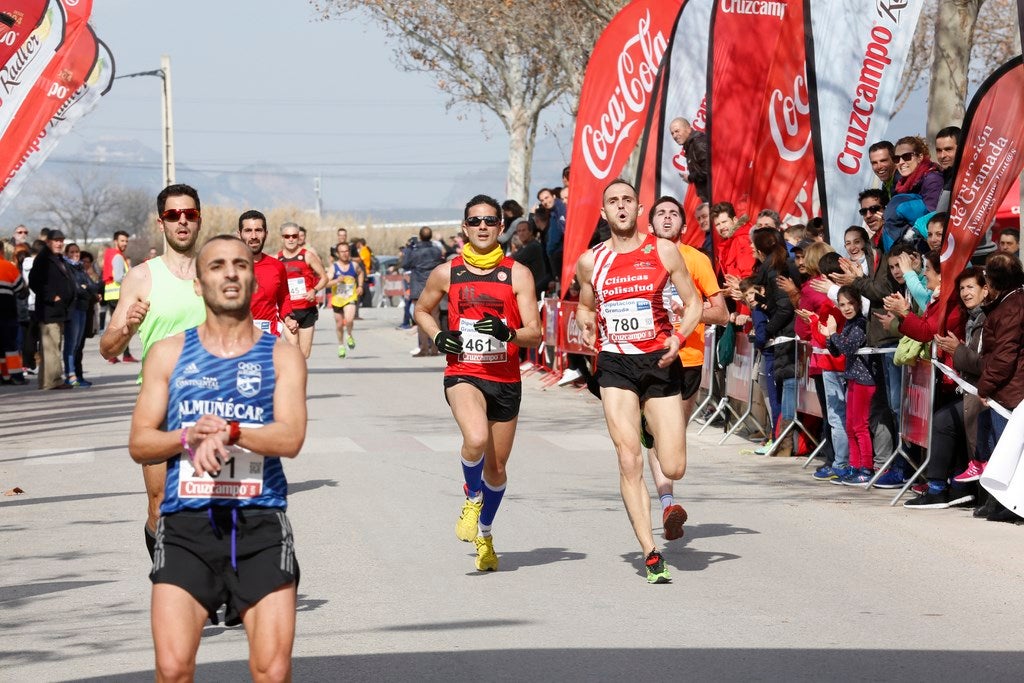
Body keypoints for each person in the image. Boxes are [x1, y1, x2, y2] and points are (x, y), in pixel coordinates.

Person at [128, 235, 306, 682]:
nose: (230, 273)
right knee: (172, 670)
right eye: (218, 266)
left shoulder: (281, 356)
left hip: (260, 523)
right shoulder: (167, 353)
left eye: (241, 265)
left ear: (253, 278)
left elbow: (292, 437)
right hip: (187, 525)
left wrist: (232, 431)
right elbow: (140, 443)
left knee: (271, 670)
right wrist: (188, 435)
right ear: (198, 283)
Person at [575, 179, 702, 583]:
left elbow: (695, 302)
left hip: (659, 360)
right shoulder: (591, 261)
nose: (621, 207)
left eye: (627, 200)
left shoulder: (663, 251)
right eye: (613, 202)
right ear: (604, 212)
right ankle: (650, 553)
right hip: (615, 364)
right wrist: (584, 320)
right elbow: (583, 303)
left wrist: (679, 336)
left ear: (638, 207)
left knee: (674, 466)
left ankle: (650, 428)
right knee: (627, 458)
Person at [413, 194, 540, 572]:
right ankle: (471, 499)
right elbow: (421, 309)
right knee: (476, 439)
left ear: (501, 227)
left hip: (505, 378)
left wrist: (509, 333)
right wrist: (437, 337)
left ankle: (485, 531)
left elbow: (534, 334)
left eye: (489, 220)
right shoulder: (446, 272)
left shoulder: (518, 273)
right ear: (464, 227)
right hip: (463, 371)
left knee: (497, 470)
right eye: (474, 220)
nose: (482, 226)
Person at [101, 184, 208, 559]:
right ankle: (173, 582)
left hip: (213, 400)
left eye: (189, 214)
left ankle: (209, 583)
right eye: (173, 215)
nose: (182, 221)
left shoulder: (215, 274)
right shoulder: (142, 277)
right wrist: (127, 327)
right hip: (159, 402)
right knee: (160, 506)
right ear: (161, 222)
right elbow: (107, 348)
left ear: (199, 219)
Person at [647, 196, 728, 540]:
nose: (667, 218)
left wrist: (688, 313)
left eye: (674, 214)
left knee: (672, 440)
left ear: (683, 224)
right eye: (661, 214)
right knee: (655, 434)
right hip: (647, 355)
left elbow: (721, 313)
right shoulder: (640, 258)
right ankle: (667, 504)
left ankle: (668, 494)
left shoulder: (696, 259)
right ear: (649, 225)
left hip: (688, 358)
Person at [825, 286, 876, 486]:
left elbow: (848, 347)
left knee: (860, 426)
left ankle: (866, 467)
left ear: (859, 303)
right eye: (842, 304)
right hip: (852, 378)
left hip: (865, 381)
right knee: (850, 425)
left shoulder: (862, 324)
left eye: (850, 303)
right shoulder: (848, 324)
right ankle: (854, 466)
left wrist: (832, 334)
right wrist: (830, 337)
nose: (846, 308)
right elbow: (837, 352)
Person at [238, 210, 297, 338]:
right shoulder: (228, 267)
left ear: (266, 234)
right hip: (237, 339)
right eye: (248, 230)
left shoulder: (277, 266)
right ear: (239, 234)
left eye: (258, 230)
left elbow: (284, 297)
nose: (253, 236)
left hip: (268, 338)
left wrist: (288, 318)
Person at [27, 229, 74, 390]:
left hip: (59, 311)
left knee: (53, 346)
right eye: (56, 240)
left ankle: (46, 381)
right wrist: (51, 296)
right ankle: (54, 381)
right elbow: (33, 281)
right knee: (51, 347)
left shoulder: (57, 258)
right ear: (48, 242)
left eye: (61, 240)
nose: (59, 243)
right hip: (49, 311)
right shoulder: (44, 258)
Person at [277, 221, 327, 359]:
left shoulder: (308, 255)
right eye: (287, 236)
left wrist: (314, 290)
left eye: (294, 236)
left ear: (299, 237)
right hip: (287, 311)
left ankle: (299, 378)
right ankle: (291, 379)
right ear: (282, 238)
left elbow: (324, 278)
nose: (291, 239)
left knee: (304, 354)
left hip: (306, 309)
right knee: (293, 348)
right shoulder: (277, 258)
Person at [63, 242, 99, 387]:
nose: (75, 255)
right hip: (73, 309)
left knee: (77, 344)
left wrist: (87, 288)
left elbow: (94, 286)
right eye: (71, 252)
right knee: (71, 344)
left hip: (83, 308)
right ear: (66, 254)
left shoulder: (80, 268)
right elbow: (77, 289)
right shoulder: (67, 268)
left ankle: (76, 375)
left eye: (77, 252)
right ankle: (70, 375)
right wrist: (86, 289)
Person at [406, 226, 445, 356]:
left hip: (418, 285)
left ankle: (423, 348)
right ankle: (435, 348)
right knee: (435, 316)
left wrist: (409, 248)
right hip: (433, 284)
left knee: (420, 316)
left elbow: (406, 263)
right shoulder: (436, 250)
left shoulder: (415, 251)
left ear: (420, 236)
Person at [102, 230, 138, 363]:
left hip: (111, 294)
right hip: (117, 295)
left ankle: (117, 354)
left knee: (117, 327)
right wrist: (132, 280)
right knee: (123, 327)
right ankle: (122, 354)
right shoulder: (117, 256)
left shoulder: (111, 255)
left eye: (126, 241)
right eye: (122, 241)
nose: (125, 243)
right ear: (115, 241)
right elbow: (118, 277)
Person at [328, 242, 363, 357]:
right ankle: (341, 345)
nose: (345, 254)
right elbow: (326, 283)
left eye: (347, 251)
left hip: (350, 297)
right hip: (337, 299)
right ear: (338, 254)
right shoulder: (334, 267)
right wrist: (336, 281)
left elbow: (361, 273)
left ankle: (349, 335)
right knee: (339, 325)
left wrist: (360, 286)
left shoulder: (354, 265)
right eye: (342, 251)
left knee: (349, 319)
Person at [0, 239, 28, 385]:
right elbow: (21, 289)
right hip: (7, 312)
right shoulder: (7, 266)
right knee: (10, 345)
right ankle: (16, 376)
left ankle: (3, 376)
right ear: (2, 251)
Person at [893, 135, 944, 211]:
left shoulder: (932, 179)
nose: (901, 162)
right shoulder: (901, 184)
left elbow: (930, 214)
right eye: (896, 159)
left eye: (907, 156)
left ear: (920, 157)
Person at [669, 118, 709, 202]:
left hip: (714, 196)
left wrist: (690, 177)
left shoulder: (698, 143)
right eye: (672, 133)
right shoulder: (690, 145)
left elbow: (708, 170)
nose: (674, 136)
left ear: (688, 128)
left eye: (677, 131)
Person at [510, 219, 550, 299]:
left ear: (530, 232)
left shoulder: (533, 246)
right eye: (519, 231)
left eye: (524, 230)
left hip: (535, 290)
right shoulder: (523, 247)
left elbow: (513, 260)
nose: (521, 233)